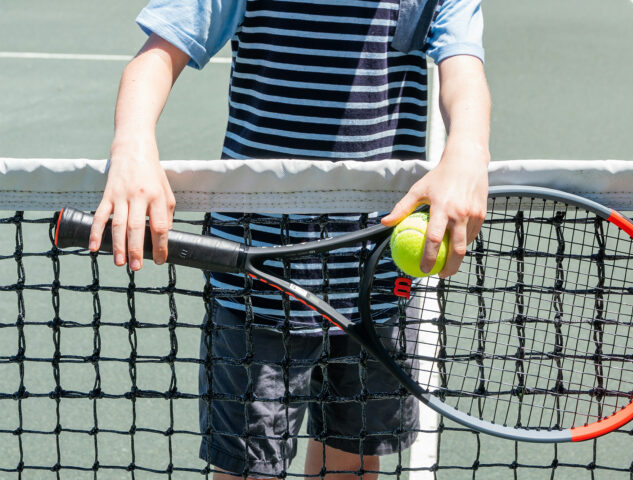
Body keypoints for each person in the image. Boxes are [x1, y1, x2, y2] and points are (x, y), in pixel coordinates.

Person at [89, 0, 490, 478]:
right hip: (258, 279)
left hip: (376, 281)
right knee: (247, 471)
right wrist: (132, 143)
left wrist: (468, 148)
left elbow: (464, 72)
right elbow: (157, 54)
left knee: (353, 463)